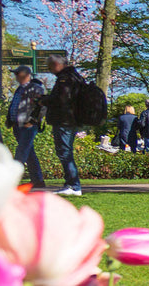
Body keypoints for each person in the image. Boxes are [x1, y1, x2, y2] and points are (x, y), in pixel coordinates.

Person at [41, 54, 87, 196]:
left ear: (57, 65)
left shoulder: (65, 79)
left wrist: (44, 100)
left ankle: (73, 185)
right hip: (71, 120)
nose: (50, 70)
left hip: (64, 120)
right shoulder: (75, 77)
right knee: (66, 151)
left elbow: (61, 99)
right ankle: (71, 184)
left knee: (65, 152)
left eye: (50, 67)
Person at [5, 66, 46, 188]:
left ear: (26, 75)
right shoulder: (19, 89)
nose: (16, 76)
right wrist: (10, 119)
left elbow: (42, 106)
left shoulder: (35, 88)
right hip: (17, 125)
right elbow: (15, 105)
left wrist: (33, 121)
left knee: (21, 152)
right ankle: (38, 180)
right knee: (29, 153)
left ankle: (12, 180)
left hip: (28, 125)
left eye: (18, 73)